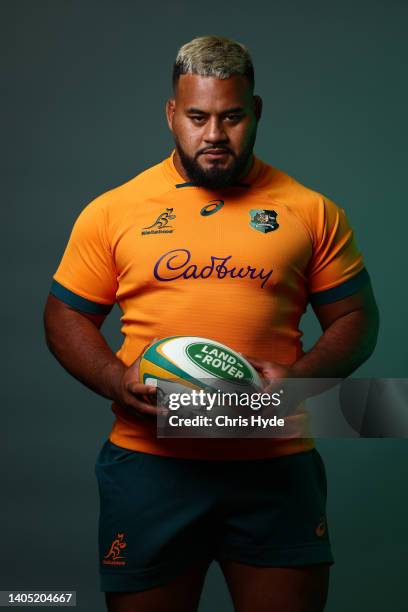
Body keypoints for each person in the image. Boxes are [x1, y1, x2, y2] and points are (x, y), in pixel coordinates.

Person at [44, 36, 379, 612]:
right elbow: (65, 313)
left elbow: (356, 317)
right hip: (151, 466)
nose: (215, 136)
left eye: (232, 117)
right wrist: (112, 377)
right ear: (172, 113)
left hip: (273, 465)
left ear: (257, 112)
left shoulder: (311, 210)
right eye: (197, 117)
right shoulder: (114, 209)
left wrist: (301, 379)